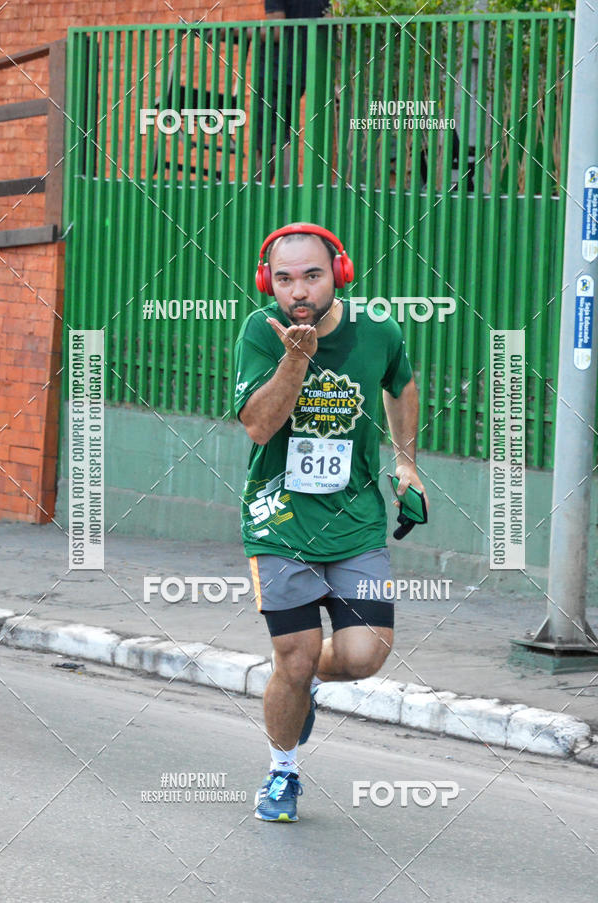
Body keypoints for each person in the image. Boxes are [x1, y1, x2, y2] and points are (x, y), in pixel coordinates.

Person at [233, 222, 427, 822]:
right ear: (269, 282)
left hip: (356, 518)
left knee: (365, 655)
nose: (298, 292)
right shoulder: (261, 333)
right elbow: (259, 426)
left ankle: (299, 682)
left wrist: (406, 463)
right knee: (293, 654)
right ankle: (281, 772)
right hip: (280, 520)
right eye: (284, 279)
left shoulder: (378, 329)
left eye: (312, 277)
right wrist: (295, 360)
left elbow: (402, 383)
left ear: (338, 275)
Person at [255, 0, 330, 183]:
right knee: (266, 136)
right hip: (302, 69)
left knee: (275, 135)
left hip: (275, 69)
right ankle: (254, 197)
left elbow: (277, 30)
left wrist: (232, 31)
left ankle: (290, 193)